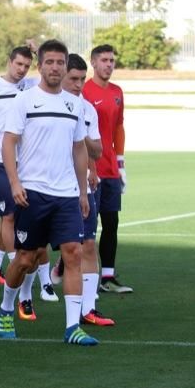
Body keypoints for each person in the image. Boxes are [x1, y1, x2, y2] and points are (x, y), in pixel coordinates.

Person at [0, 39, 98, 346]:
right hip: (33, 193)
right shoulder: (25, 101)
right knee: (26, 259)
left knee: (74, 254)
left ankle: (72, 327)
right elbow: (8, 142)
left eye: (60, 62)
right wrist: (14, 183)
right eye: (50, 62)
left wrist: (82, 191)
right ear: (40, 66)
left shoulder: (75, 104)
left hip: (66, 194)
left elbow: (79, 148)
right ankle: (5, 309)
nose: (55, 67)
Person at [0, 46, 58, 315]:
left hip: (27, 164)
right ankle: (19, 277)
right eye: (18, 64)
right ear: (9, 61)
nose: (21, 70)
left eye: (26, 65)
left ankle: (1, 267)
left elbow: (57, 71)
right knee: (9, 215)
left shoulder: (31, 85)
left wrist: (39, 48)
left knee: (27, 218)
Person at [61, 54, 115, 326]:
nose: (79, 84)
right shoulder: (47, 104)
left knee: (88, 245)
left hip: (79, 187)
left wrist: (81, 135)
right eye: (74, 79)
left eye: (82, 79)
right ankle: (18, 299)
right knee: (29, 255)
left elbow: (96, 149)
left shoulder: (87, 110)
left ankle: (88, 309)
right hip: (48, 188)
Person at [82, 44, 133, 294]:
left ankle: (108, 277)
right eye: (104, 60)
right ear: (93, 62)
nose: (109, 65)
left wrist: (121, 163)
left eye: (112, 60)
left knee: (111, 222)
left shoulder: (117, 92)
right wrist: (88, 166)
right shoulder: (84, 91)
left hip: (110, 168)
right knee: (86, 225)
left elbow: (118, 128)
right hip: (91, 168)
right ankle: (68, 267)